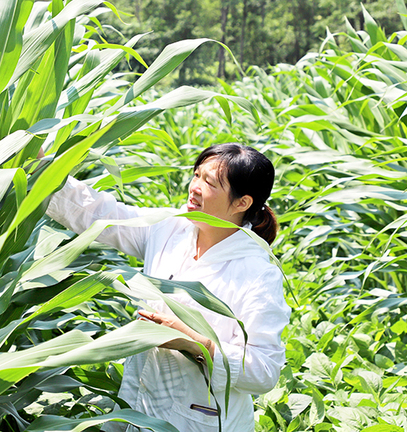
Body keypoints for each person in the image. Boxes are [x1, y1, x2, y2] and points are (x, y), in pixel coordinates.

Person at [45, 143, 291, 432]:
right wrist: (44, 170)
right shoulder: (169, 229)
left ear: (242, 203)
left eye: (209, 182)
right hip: (137, 407)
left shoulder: (257, 274)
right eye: (196, 175)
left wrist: (195, 344)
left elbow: (264, 372)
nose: (195, 187)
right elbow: (100, 215)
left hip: (199, 422)